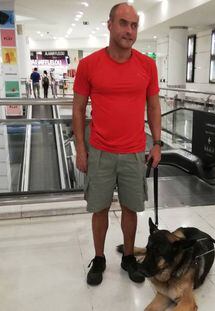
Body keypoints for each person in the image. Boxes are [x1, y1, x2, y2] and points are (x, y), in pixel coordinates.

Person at [72, 2, 161, 286]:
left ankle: (128, 258)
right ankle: (99, 258)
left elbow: (154, 105)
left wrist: (157, 143)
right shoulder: (89, 65)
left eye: (134, 25)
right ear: (109, 25)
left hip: (134, 151)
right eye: (123, 23)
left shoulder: (147, 65)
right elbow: (77, 110)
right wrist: (81, 149)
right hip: (99, 151)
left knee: (130, 208)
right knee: (99, 208)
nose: (129, 31)